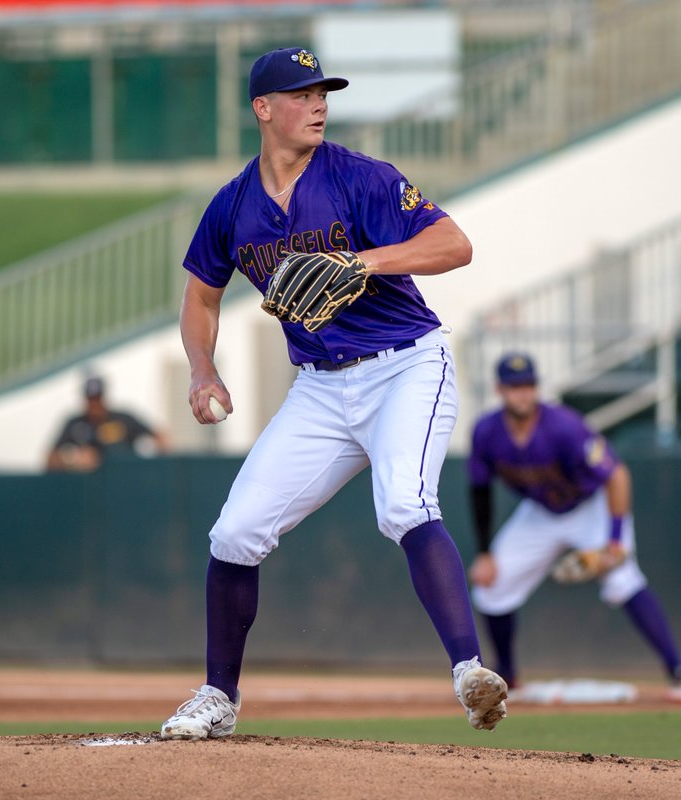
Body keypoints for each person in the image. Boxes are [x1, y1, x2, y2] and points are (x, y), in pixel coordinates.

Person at [159, 46, 508, 741]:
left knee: (405, 504)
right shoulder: (232, 206)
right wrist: (203, 369)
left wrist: (362, 261)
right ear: (263, 108)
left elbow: (454, 243)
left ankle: (469, 672)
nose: (319, 104)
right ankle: (218, 697)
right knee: (234, 533)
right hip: (319, 388)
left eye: (324, 92)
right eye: (302, 93)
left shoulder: (360, 177)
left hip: (406, 365)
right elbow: (201, 298)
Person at [466, 353, 681, 704]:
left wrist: (615, 539)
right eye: (515, 387)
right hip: (541, 512)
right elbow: (479, 490)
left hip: (590, 507)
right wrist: (485, 553)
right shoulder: (486, 432)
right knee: (492, 584)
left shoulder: (564, 427)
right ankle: (507, 677)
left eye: (529, 385)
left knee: (623, 580)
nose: (523, 394)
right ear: (500, 389)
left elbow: (618, 475)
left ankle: (679, 671)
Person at [46, 376, 167, 472]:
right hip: (87, 491)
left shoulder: (122, 419)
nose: (94, 405)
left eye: (97, 398)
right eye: (91, 399)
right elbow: (50, 459)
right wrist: (73, 459)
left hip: (124, 482)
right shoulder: (75, 424)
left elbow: (159, 436)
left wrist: (150, 463)